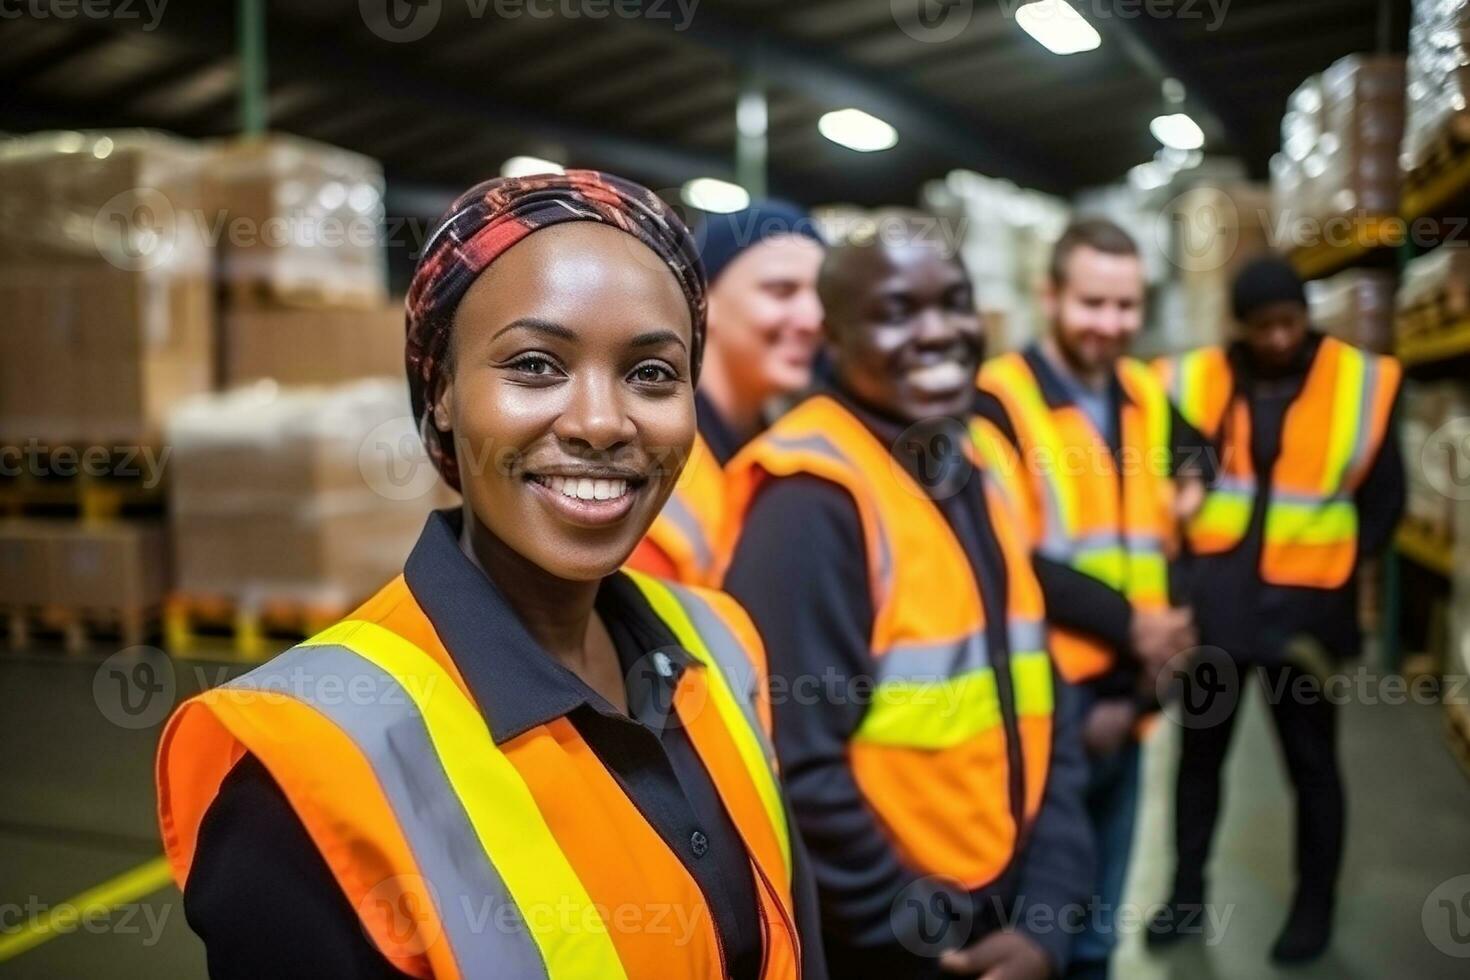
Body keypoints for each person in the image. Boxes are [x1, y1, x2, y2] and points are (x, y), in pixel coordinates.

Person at [155, 172, 827, 980]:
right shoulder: (310, 764)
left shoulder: (721, 644)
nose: (601, 422)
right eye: (537, 364)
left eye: (651, 373)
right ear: (440, 391)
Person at [721, 211, 1093, 979]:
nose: (939, 332)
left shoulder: (980, 458)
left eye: (954, 302)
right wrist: (931, 940)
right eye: (897, 312)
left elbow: (1039, 692)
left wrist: (1048, 915)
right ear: (835, 335)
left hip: (1008, 896)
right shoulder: (811, 500)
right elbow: (798, 772)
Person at [1148, 254, 1405, 963]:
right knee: (1198, 765)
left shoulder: (1360, 382)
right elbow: (1173, 477)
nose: (1279, 338)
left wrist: (1340, 569)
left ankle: (1312, 908)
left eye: (1290, 322)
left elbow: (1385, 499)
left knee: (1312, 768)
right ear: (1242, 325)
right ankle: (1183, 898)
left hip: (1306, 620)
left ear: (1306, 315)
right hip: (1216, 615)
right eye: (1264, 326)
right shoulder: (1196, 381)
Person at [975, 219, 1207, 979]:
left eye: (1126, 306)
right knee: (1043, 932)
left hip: (1134, 696)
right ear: (1050, 297)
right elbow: (1005, 560)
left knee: (1101, 937)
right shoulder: (1000, 403)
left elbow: (1185, 481)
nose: (1111, 325)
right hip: (1049, 707)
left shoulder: (1144, 393)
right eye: (1093, 304)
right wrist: (1133, 625)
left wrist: (1151, 674)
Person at [627, 200, 824, 585]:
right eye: (781, 291)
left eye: (822, 296)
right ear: (705, 303)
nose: (814, 319)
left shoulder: (780, 449)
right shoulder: (651, 460)